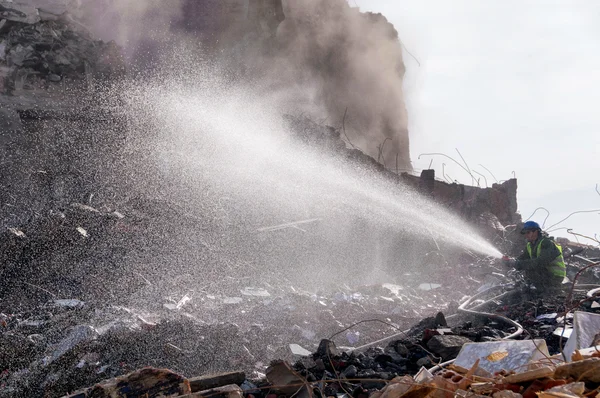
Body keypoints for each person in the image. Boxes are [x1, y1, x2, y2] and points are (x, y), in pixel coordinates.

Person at [503, 221, 566, 296]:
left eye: (528, 232)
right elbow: (522, 258)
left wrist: (518, 263)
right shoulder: (530, 245)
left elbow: (540, 262)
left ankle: (542, 292)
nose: (526, 235)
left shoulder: (546, 243)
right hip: (545, 275)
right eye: (525, 233)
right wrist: (510, 261)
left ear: (536, 232)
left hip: (554, 276)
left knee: (532, 268)